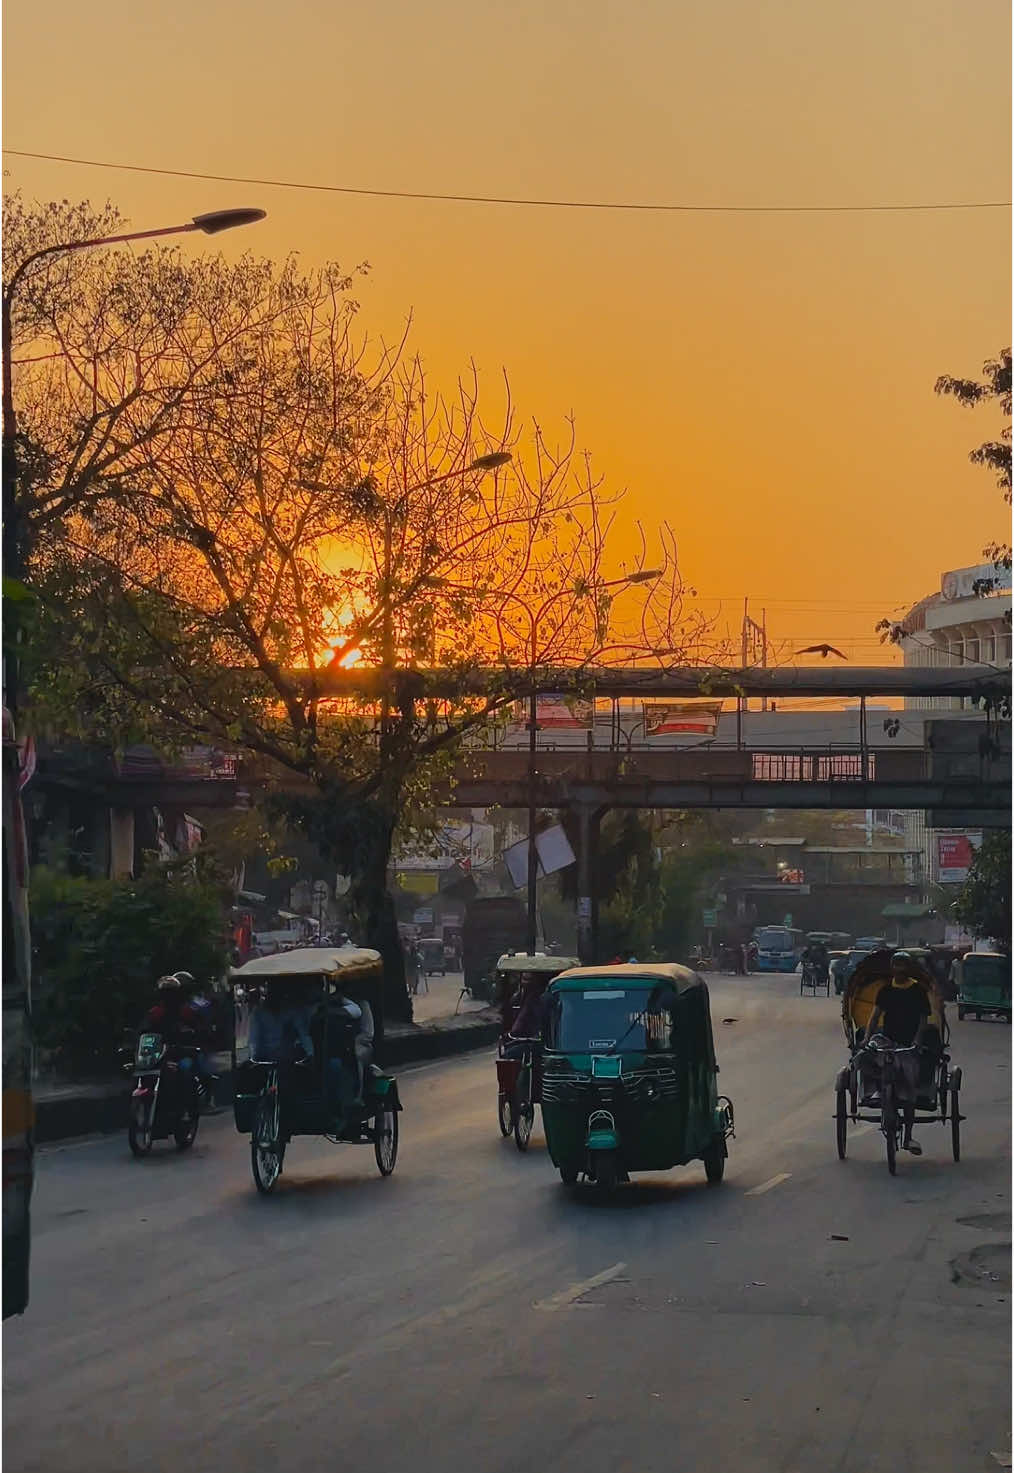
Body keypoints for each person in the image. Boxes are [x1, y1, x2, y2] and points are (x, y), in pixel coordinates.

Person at [859, 952, 937, 1156]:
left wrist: (917, 1041)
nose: (899, 969)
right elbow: (875, 1016)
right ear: (892, 968)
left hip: (908, 1044)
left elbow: (923, 1020)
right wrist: (867, 1038)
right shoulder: (886, 990)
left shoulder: (917, 990)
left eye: (903, 965)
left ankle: (909, 1136)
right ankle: (874, 1089)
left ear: (908, 968)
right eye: (896, 965)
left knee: (909, 1092)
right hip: (888, 1041)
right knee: (867, 1054)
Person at [142, 976, 211, 1106]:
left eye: (170, 992)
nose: (167, 996)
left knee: (185, 1069)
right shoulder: (154, 1012)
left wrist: (192, 1038)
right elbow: (143, 1032)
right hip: (159, 1055)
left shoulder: (185, 1011)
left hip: (180, 1054)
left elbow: (199, 1029)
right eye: (164, 992)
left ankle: (188, 1106)